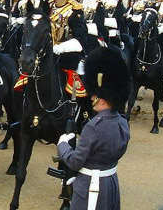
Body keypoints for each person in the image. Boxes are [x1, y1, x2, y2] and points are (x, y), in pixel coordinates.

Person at [57, 46, 130, 210]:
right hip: (110, 183)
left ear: (103, 98)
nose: (91, 97)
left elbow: (75, 162)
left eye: (95, 94)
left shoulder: (94, 126)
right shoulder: (122, 122)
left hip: (91, 187)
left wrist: (63, 144)